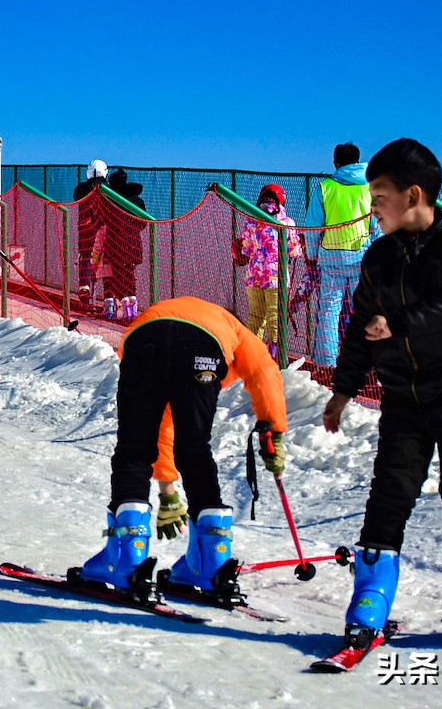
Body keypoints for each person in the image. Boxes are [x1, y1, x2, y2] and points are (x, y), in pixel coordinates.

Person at [322, 138, 442, 651]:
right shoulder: (378, 256)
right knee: (390, 490)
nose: (372, 206)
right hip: (404, 398)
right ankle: (372, 591)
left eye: (379, 196)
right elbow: (362, 323)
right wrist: (343, 390)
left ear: (412, 195)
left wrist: (399, 324)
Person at [76, 296, 287, 596]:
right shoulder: (239, 333)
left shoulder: (185, 313)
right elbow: (265, 372)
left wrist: (168, 491)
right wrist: (273, 430)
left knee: (134, 448)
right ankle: (211, 563)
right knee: (196, 448)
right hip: (205, 351)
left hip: (143, 340)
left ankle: (125, 560)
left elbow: (161, 420)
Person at [307, 143, 378, 374]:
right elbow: (377, 226)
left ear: (335, 163)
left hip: (331, 258)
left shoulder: (325, 187)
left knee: (328, 312)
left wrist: (311, 256)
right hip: (362, 257)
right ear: (358, 161)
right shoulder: (369, 188)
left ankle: (326, 365)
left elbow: (313, 226)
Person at [237, 184, 303, 353]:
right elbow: (294, 250)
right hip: (277, 278)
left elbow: (245, 249)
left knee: (256, 318)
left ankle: (252, 355)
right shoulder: (287, 222)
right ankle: (275, 357)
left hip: (254, 276)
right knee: (275, 319)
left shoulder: (252, 220)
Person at [98, 168, 147, 321]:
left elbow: (102, 220)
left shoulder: (109, 200)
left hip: (115, 244)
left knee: (117, 276)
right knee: (130, 275)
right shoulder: (137, 200)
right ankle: (131, 312)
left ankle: (118, 307)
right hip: (133, 244)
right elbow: (143, 223)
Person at [72, 160, 109, 301]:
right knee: (105, 259)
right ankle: (108, 295)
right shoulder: (109, 189)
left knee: (85, 256)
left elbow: (76, 196)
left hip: (85, 227)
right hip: (104, 228)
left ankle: (84, 287)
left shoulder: (81, 189)